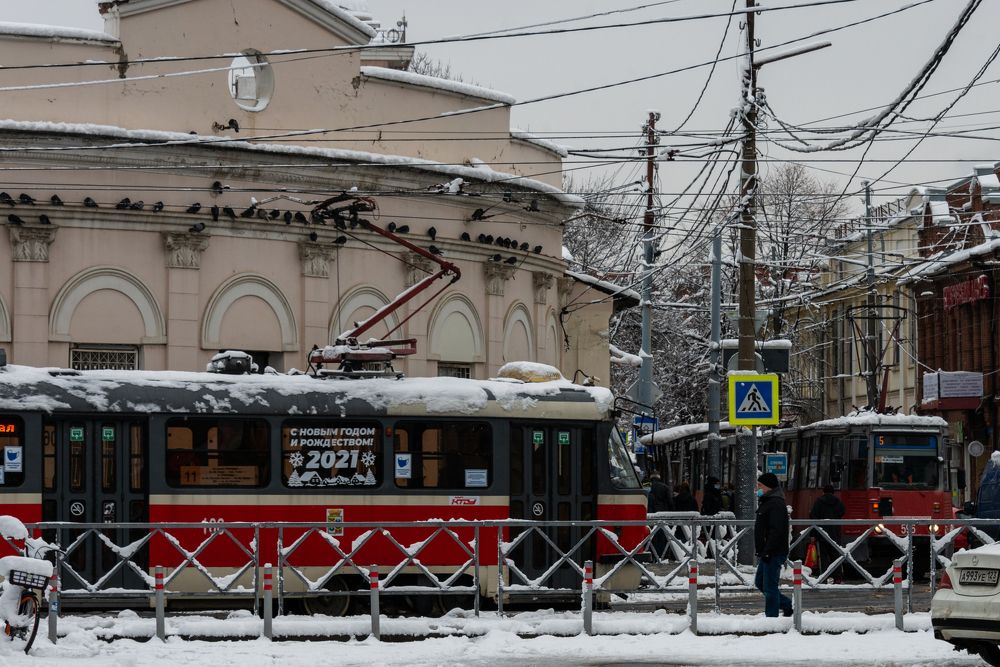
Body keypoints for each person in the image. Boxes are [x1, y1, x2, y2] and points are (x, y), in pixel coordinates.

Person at [754, 472, 793, 618]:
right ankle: (787, 604)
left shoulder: (775, 503)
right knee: (760, 583)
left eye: (760, 485)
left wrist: (768, 550)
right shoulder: (768, 501)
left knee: (769, 587)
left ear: (768, 487)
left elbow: (776, 530)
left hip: (773, 552)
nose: (757, 488)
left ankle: (771, 619)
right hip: (767, 551)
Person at [809, 484, 846, 582]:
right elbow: (842, 512)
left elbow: (813, 517)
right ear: (833, 492)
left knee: (823, 556)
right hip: (835, 533)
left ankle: (824, 577)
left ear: (823, 492)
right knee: (835, 556)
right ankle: (837, 578)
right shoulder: (838, 501)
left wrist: (812, 535)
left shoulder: (819, 501)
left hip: (822, 533)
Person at [646, 472, 673, 559]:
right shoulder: (664, 487)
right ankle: (662, 555)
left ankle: (651, 554)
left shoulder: (647, 487)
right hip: (662, 513)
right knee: (662, 535)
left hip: (650, 513)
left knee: (651, 534)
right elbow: (670, 502)